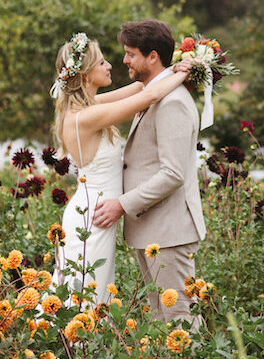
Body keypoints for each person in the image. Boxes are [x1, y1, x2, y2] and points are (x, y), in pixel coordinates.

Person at [49, 31, 191, 305]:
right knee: (81, 296)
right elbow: (149, 97)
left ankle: (72, 346)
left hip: (99, 211)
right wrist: (188, 72)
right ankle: (60, 343)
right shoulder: (86, 116)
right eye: (102, 63)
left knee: (93, 292)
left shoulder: (90, 105)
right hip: (92, 218)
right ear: (86, 74)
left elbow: (141, 87)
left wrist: (172, 67)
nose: (110, 66)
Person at [92, 19, 207, 326]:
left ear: (152, 56)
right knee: (162, 321)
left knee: (179, 321)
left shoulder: (172, 103)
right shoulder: (153, 91)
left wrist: (122, 205)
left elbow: (173, 174)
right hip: (156, 228)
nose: (124, 60)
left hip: (169, 232)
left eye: (131, 53)